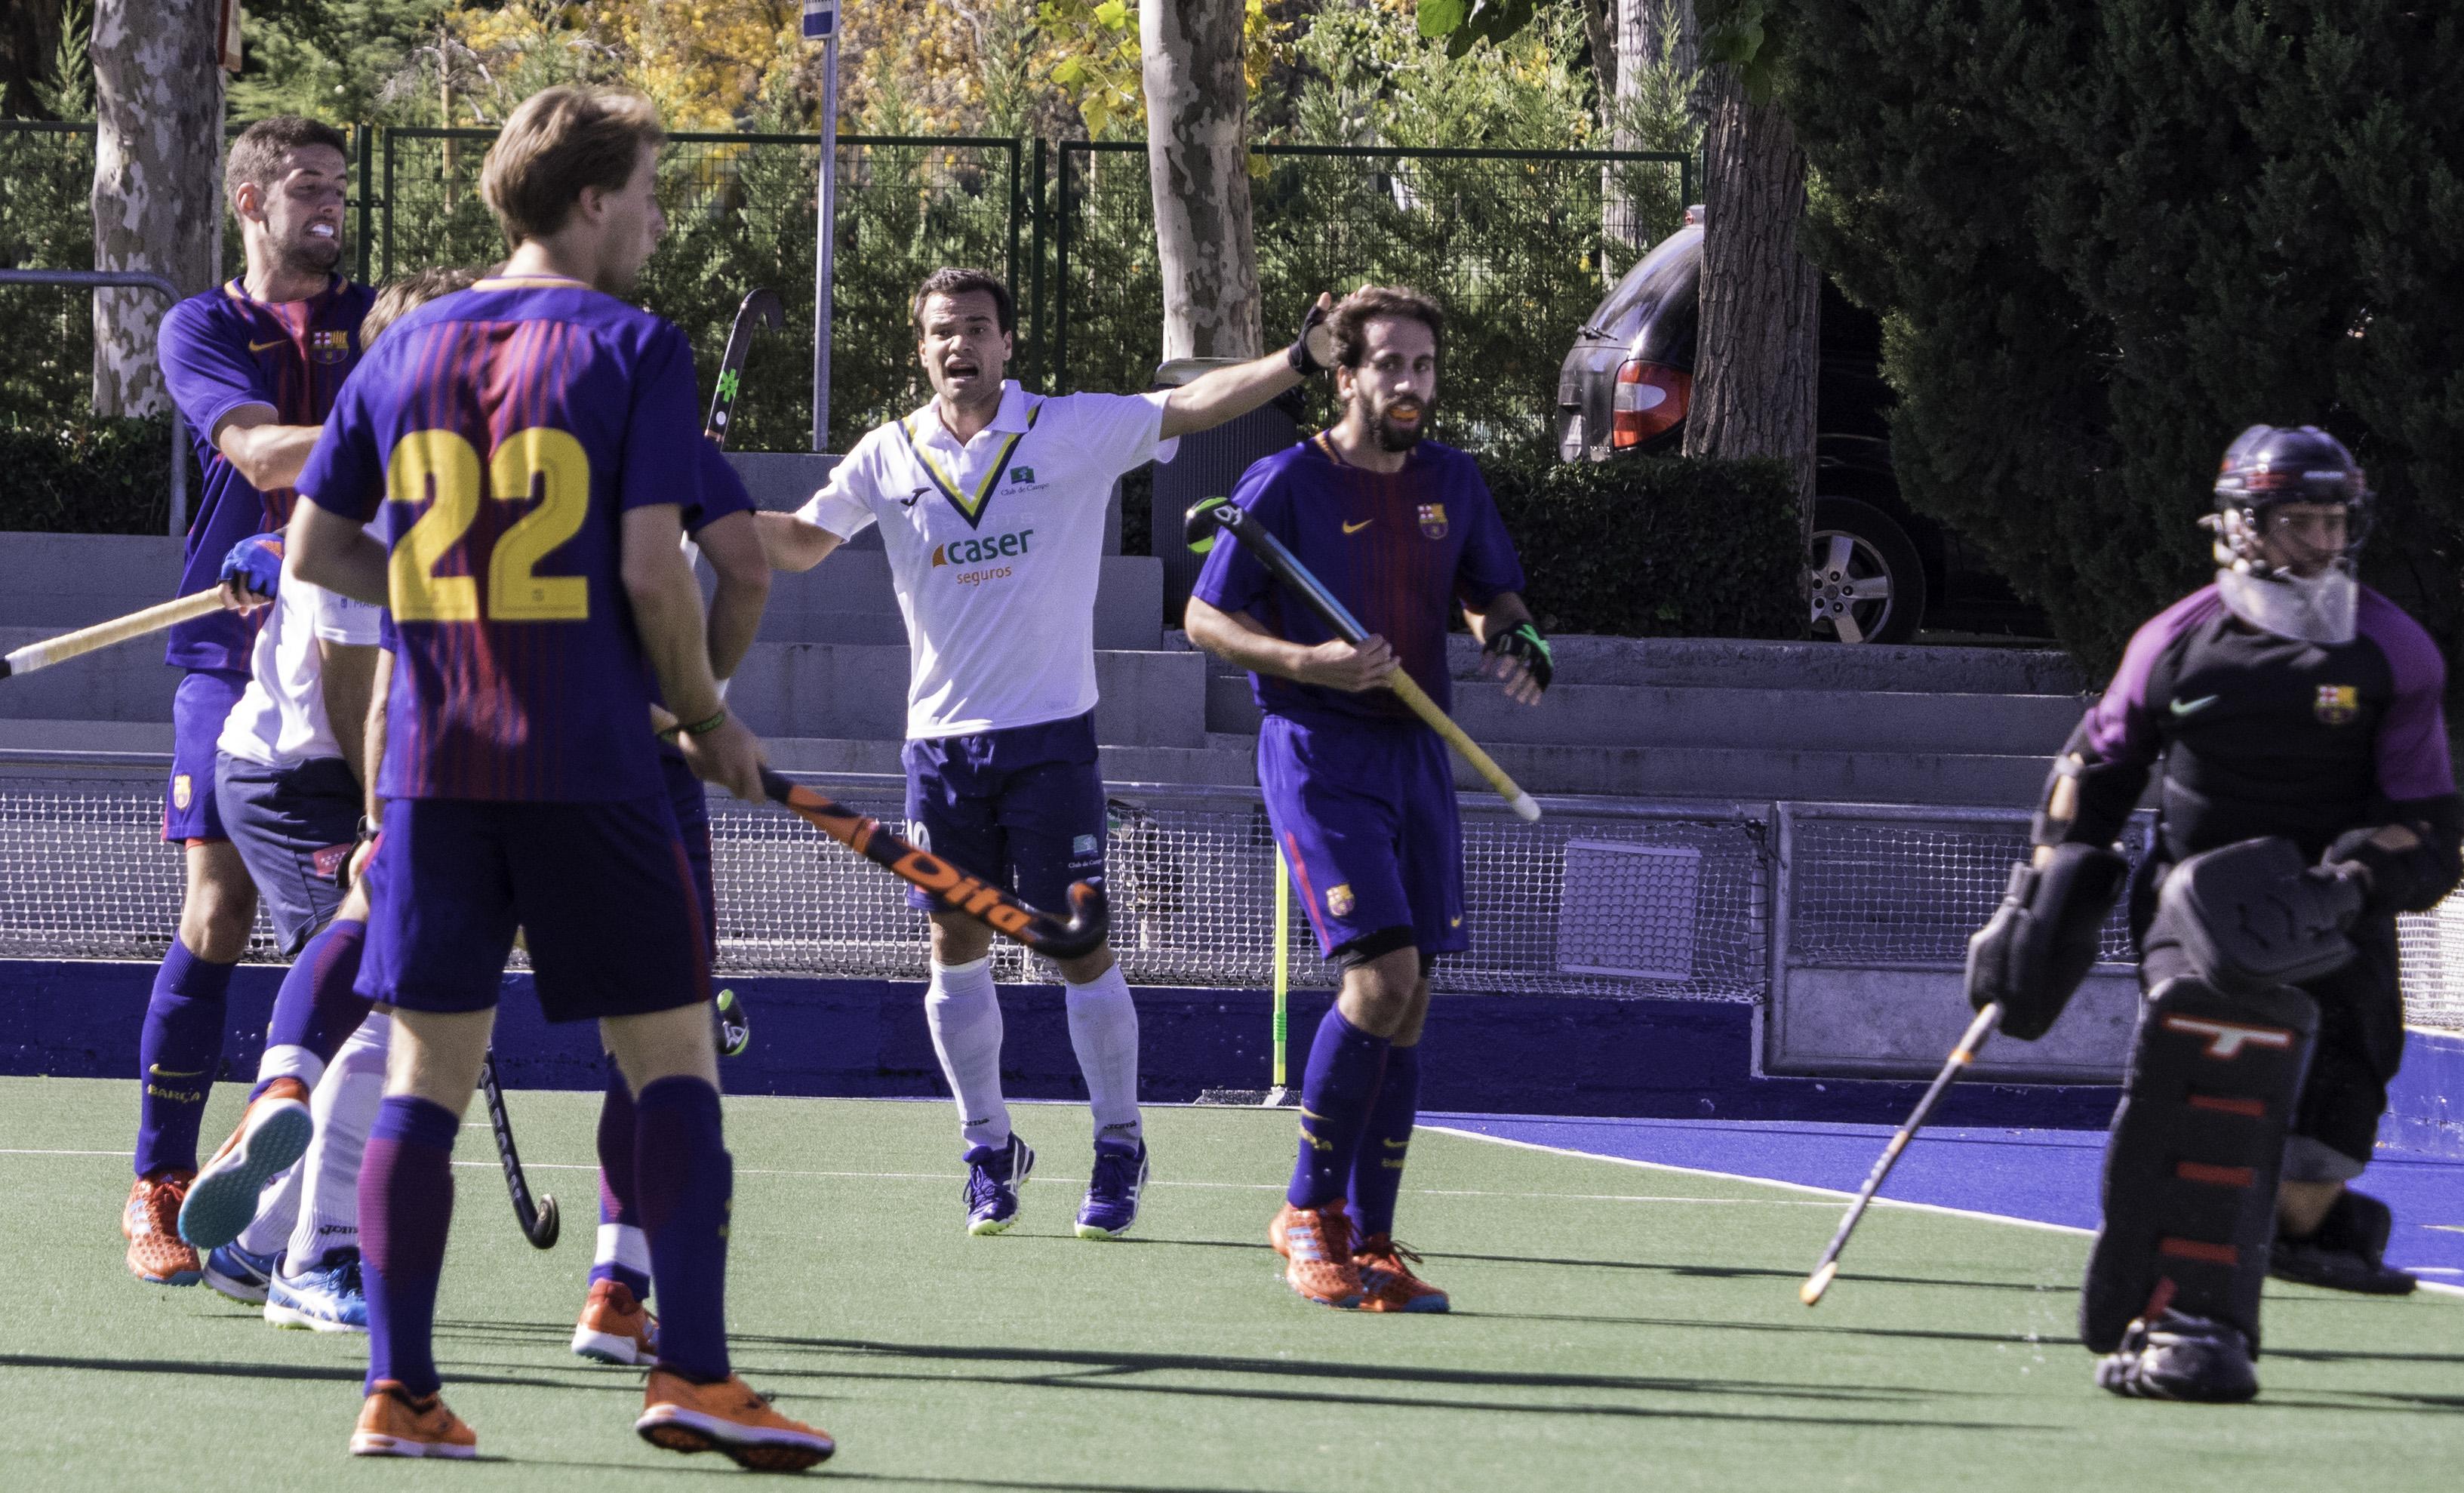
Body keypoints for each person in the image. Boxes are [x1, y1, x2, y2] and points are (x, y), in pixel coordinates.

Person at [288, 85, 831, 1468]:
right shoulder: (634, 346)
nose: (652, 217)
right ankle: (696, 1374)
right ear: (590, 199)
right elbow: (663, 566)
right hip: (588, 760)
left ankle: (399, 1394)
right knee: (672, 1062)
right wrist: (706, 716)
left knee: (426, 1076)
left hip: (428, 767)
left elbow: (314, 552)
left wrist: (442, 599)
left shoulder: (401, 345)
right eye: (646, 189)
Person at [756, 267, 1336, 1239]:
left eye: (977, 328)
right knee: (954, 947)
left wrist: (1295, 361)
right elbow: (800, 544)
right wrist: (689, 505)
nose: (959, 346)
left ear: (1007, 343)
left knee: (1078, 946)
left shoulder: (1066, 429)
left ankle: (1119, 1142)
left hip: (1050, 740)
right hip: (940, 749)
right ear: (921, 349)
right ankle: (988, 1147)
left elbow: (1191, 404)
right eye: (942, 331)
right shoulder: (887, 455)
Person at [1965, 423, 2461, 1402]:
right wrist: (2044, 885)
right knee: (2201, 1102)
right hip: (2193, 915)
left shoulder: (2392, 649)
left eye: (2331, 521)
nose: (2318, 543)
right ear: (2240, 526)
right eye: (2295, 522)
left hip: (2332, 919)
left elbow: (2426, 827)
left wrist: (2353, 881)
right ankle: (2182, 1314)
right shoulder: (2174, 637)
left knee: (2328, 1139)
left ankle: (2302, 1224)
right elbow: (2093, 770)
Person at [1183, 286, 1551, 1311]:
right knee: (1380, 980)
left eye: (1424, 365)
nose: (1410, 383)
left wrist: (1510, 637)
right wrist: (1310, 658)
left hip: (1419, 753)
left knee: (1414, 995)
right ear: (1343, 374)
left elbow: (1489, 591)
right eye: (1388, 364)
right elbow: (1206, 617)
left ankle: (1373, 1238)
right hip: (1320, 748)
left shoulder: (1453, 479)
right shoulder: (1288, 480)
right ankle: (1306, 1211)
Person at [181, 268, 484, 1333]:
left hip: (374, 767)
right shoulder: (374, 487)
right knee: (390, 995)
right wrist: (380, 820)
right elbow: (367, 687)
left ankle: (251, 1245)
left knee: (398, 1000)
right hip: (303, 772)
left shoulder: (462, 471)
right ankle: (315, 1251)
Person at [130, 116, 375, 1287]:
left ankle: (272, 1166)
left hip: (358, 636)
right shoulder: (202, 325)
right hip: (232, 653)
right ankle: (161, 1180)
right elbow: (268, 457)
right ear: (247, 201)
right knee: (216, 910)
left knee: (364, 910)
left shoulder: (377, 317)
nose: (329, 204)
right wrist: (412, 446)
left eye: (337, 187)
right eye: (306, 187)